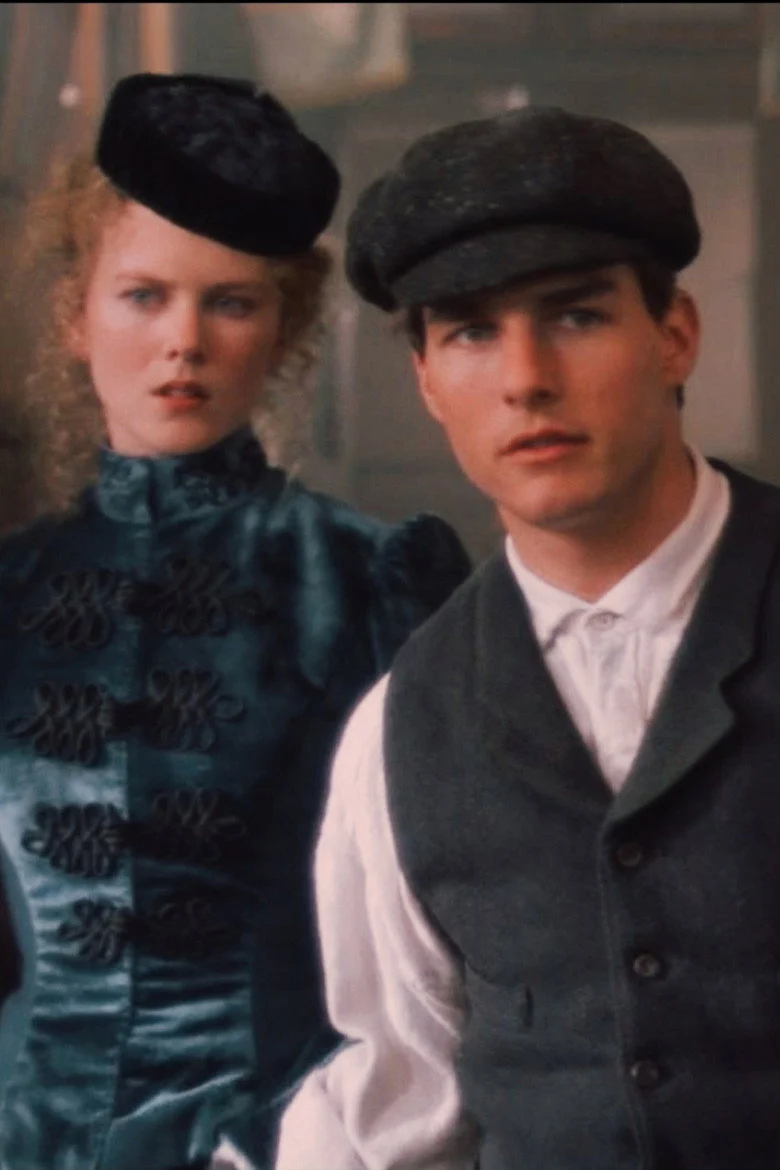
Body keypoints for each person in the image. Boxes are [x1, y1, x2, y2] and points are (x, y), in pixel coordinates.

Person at [274, 105, 780, 1170]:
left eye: (577, 315)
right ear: (425, 379)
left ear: (676, 333)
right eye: (470, 332)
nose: (525, 378)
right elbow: (398, 1096)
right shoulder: (403, 727)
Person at [0, 72, 471, 1170]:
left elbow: (442, 942)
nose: (184, 341)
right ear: (76, 317)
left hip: (284, 1138)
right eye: (143, 296)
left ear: (284, 330)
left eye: (231, 303)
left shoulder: (370, 578)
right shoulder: (10, 590)